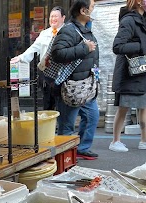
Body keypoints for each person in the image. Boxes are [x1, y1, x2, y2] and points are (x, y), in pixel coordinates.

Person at [109, 0, 146, 152]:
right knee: (124, 107)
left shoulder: (145, 18)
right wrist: (140, 46)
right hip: (129, 72)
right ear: (139, 2)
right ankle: (115, 141)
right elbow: (117, 46)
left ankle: (145, 139)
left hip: (142, 70)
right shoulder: (129, 20)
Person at [51, 0, 100, 160]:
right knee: (67, 125)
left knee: (92, 117)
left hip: (86, 86)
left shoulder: (86, 30)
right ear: (83, 11)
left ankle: (82, 148)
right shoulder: (69, 30)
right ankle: (63, 157)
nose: (94, 10)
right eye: (92, 7)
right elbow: (57, 54)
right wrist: (84, 48)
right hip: (70, 88)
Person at [13, 6, 66, 110]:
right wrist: (21, 57)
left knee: (61, 103)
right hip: (46, 74)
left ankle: (61, 125)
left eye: (56, 16)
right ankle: (49, 125)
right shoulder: (44, 33)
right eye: (51, 16)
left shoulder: (67, 32)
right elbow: (34, 48)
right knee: (47, 102)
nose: (53, 19)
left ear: (63, 18)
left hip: (62, 74)